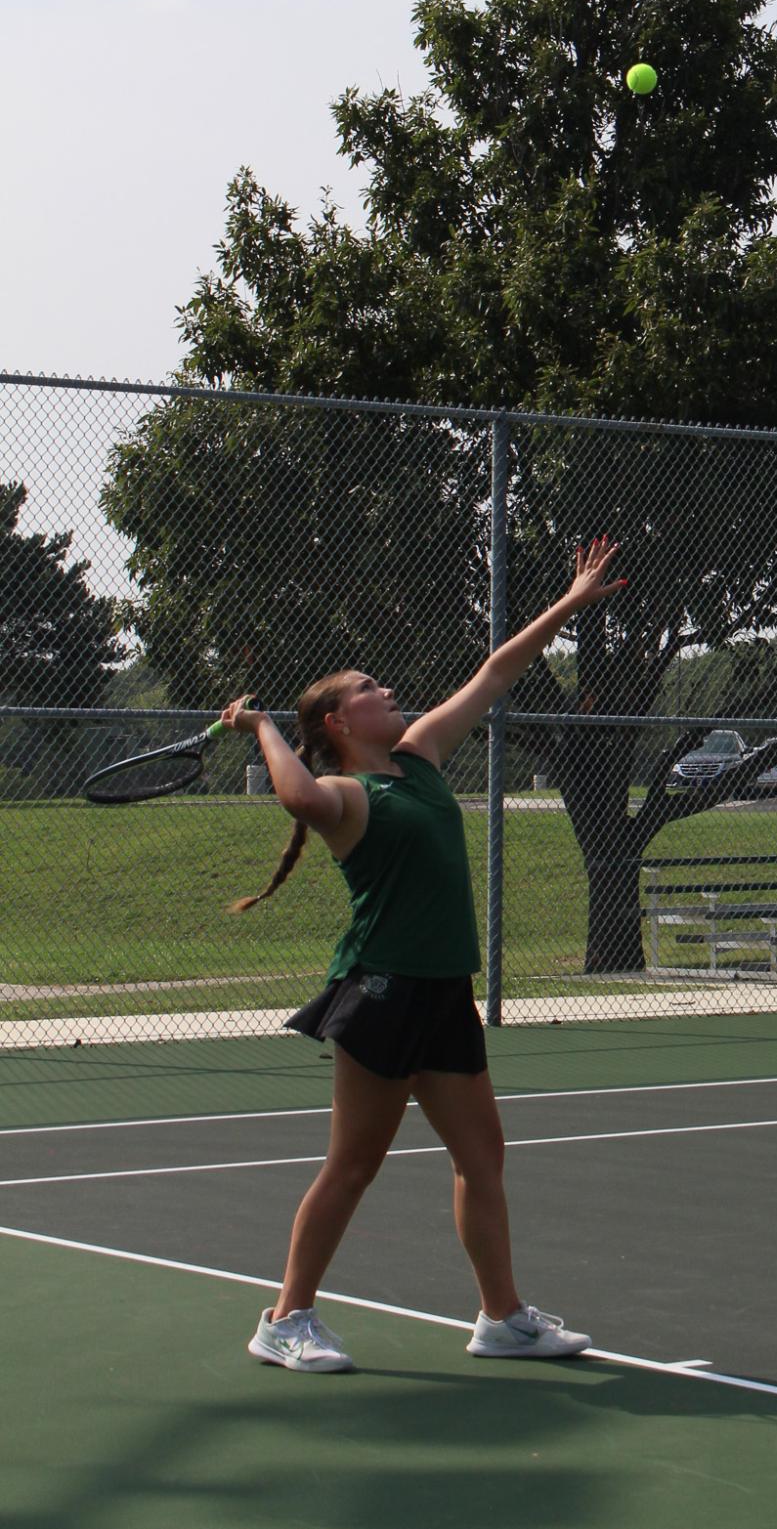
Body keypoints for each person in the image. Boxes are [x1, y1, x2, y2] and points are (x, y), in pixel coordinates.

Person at [222, 535, 627, 1374]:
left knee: (483, 1156)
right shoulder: (343, 794)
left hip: (445, 991)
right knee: (355, 1163)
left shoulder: (420, 758)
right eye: (370, 689)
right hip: (381, 993)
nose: (389, 691)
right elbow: (293, 791)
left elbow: (495, 673)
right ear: (337, 722)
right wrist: (263, 725)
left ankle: (501, 1317)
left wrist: (572, 601)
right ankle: (285, 1317)